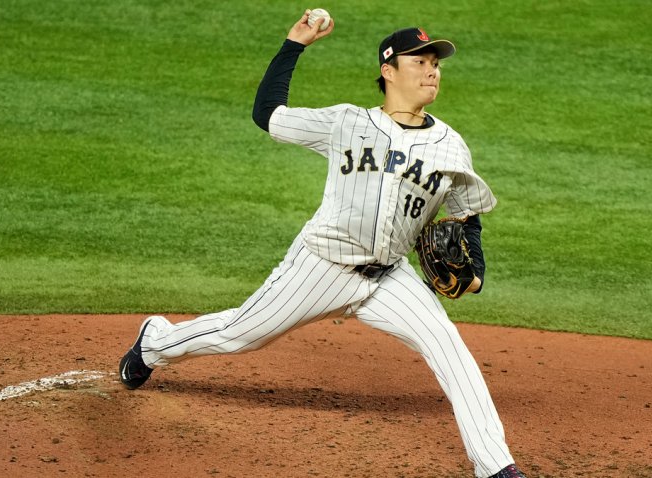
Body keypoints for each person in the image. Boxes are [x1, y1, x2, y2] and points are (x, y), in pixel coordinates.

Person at [118, 9, 526, 478]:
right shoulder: (347, 123)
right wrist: (295, 45)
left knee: (451, 351)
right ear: (388, 71)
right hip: (321, 266)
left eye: (436, 62)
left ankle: (496, 468)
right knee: (240, 334)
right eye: (420, 61)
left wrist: (474, 265)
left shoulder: (450, 145)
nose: (433, 69)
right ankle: (155, 342)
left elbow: (466, 212)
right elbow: (267, 116)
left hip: (390, 277)